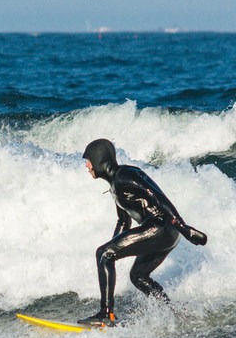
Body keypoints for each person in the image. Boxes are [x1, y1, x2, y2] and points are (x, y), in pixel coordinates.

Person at [79, 138, 207, 327]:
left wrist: (184, 228)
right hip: (165, 233)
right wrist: (114, 250)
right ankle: (171, 315)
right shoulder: (115, 185)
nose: (87, 166)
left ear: (98, 160)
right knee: (137, 276)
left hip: (161, 228)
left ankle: (106, 315)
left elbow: (159, 199)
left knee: (104, 253)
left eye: (88, 161)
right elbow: (124, 221)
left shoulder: (126, 175)